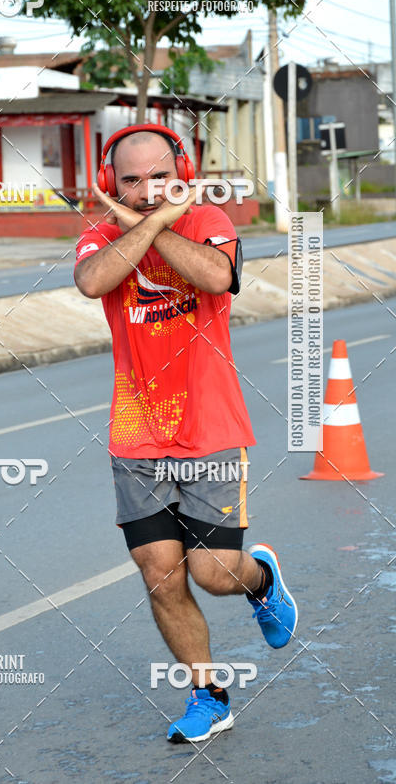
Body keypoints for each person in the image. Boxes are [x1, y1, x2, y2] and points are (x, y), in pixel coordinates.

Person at [74, 124, 297, 743]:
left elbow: (214, 278)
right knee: (160, 574)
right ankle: (209, 695)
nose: (146, 191)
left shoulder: (209, 221)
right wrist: (138, 223)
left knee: (214, 574)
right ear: (108, 184)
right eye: (130, 180)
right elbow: (94, 282)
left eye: (158, 178)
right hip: (136, 435)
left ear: (183, 174)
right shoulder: (102, 236)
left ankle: (261, 580)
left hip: (211, 429)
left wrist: (155, 221)